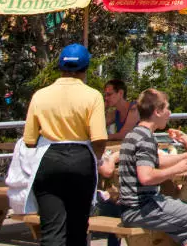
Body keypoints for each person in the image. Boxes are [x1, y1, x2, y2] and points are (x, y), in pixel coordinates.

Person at [22, 43, 108, 246]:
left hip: (49, 159)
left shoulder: (40, 95)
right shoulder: (93, 96)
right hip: (81, 160)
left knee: (52, 229)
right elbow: (99, 138)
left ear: (60, 66)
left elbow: (29, 139)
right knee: (77, 228)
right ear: (86, 68)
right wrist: (96, 159)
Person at [117, 89, 187, 246]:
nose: (170, 113)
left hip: (133, 208)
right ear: (157, 111)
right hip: (143, 208)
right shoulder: (145, 138)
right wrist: (175, 170)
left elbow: (158, 162)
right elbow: (146, 177)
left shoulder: (134, 134)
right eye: (167, 108)